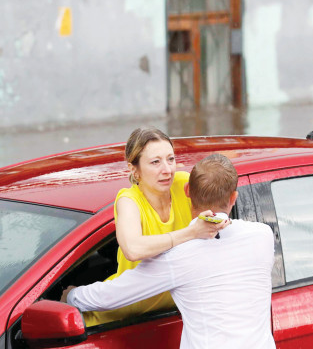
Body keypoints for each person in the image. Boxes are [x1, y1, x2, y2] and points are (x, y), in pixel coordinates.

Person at [67, 154, 282, 349]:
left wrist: (70, 295)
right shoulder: (263, 236)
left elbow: (109, 296)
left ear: (187, 191)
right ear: (233, 197)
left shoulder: (178, 257)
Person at [85, 127, 226, 326]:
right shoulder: (129, 200)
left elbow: (219, 208)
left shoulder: (184, 184)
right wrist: (192, 232)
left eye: (171, 159)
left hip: (172, 316)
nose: (167, 170)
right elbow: (133, 249)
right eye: (155, 162)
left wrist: (218, 220)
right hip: (119, 317)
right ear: (134, 169)